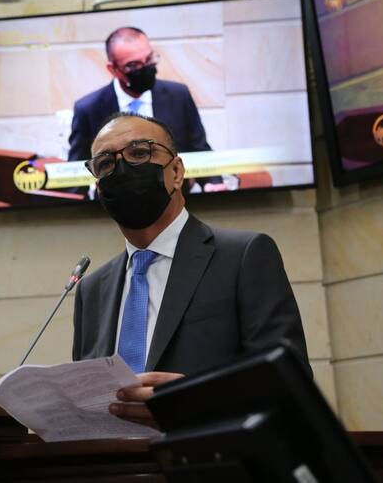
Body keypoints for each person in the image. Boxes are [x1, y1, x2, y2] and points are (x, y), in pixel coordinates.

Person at [72, 112, 310, 426]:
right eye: (105, 164)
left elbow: (290, 383)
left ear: (176, 172)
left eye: (139, 153)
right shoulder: (91, 290)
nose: (122, 169)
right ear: (99, 186)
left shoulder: (244, 256)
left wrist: (199, 400)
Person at [68, 27, 224, 192]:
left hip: (175, 195)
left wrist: (213, 183)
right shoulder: (88, 109)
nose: (145, 68)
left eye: (149, 59)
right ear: (113, 69)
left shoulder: (178, 95)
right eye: (133, 65)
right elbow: (75, 172)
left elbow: (199, 148)